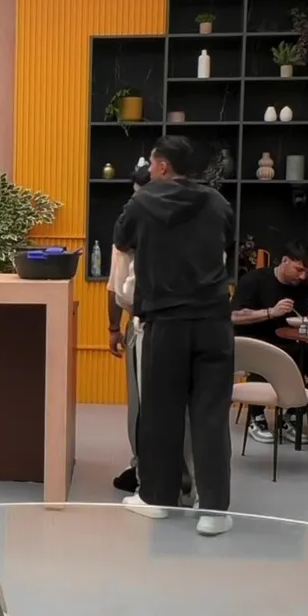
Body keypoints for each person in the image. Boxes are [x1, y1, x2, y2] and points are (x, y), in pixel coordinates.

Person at [112, 136, 236, 536]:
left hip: (165, 322)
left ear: (163, 165)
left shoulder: (142, 201)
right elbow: (227, 243)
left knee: (160, 414)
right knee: (211, 415)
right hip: (214, 321)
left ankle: (157, 499)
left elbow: (121, 241)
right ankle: (213, 510)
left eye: (151, 163)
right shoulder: (218, 202)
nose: (149, 170)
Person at [109, 164, 195, 506]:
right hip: (190, 324)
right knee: (182, 407)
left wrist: (115, 327)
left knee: (150, 408)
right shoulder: (195, 219)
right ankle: (182, 478)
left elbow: (120, 288)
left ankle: (154, 480)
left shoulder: (135, 225)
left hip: (153, 325)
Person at [231, 240, 308, 445]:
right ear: (284, 261)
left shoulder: (303, 288)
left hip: (290, 344)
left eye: (307, 272)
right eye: (299, 270)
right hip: (253, 344)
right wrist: (270, 312)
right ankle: (256, 418)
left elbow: (299, 318)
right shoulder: (254, 280)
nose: (303, 277)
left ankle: (292, 415)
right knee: (272, 355)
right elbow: (233, 316)